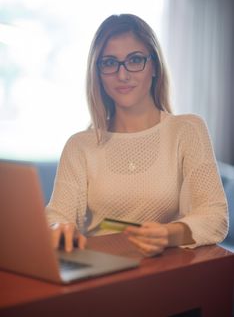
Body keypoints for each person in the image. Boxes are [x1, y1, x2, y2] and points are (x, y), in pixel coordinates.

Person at [46, 14, 228, 257]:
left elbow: (215, 217)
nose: (122, 75)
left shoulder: (187, 129)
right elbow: (58, 215)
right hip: (100, 274)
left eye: (135, 60)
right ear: (98, 73)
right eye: (109, 63)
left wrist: (167, 234)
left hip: (166, 273)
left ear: (154, 66)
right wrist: (57, 227)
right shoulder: (80, 145)